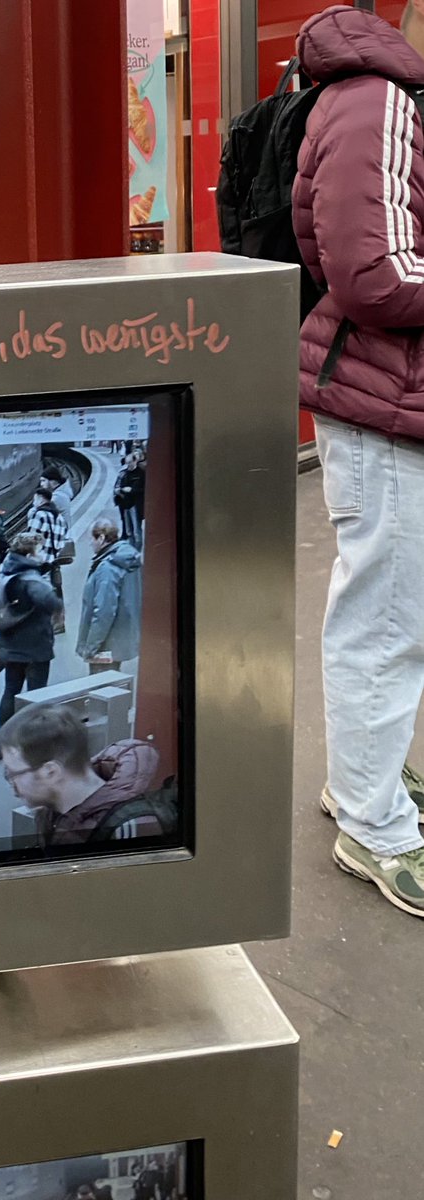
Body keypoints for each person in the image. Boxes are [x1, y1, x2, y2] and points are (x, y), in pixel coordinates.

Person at [292, 1, 424, 914]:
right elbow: (371, 272)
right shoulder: (377, 97)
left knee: (391, 615)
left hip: (392, 398)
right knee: (384, 621)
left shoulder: (383, 96)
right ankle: (372, 828)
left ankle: (366, 786)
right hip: (385, 408)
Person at [0, 704, 171, 846]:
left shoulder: (130, 827)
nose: (13, 788)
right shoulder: (51, 811)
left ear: (50, 772)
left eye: (12, 774)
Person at [0, 532, 63, 726]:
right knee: (37, 696)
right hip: (36, 649)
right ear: (29, 555)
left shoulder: (6, 571)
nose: (42, 555)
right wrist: (57, 605)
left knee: (10, 691)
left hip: (10, 647)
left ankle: (4, 740)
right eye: (39, 551)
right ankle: (34, 741)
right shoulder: (30, 577)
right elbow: (46, 599)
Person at [77, 519, 141, 674]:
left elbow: (103, 611)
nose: (90, 544)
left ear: (101, 538)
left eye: (91, 539)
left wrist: (90, 647)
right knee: (113, 687)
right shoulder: (126, 558)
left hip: (104, 644)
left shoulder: (107, 568)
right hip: (119, 639)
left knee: (101, 689)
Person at [25, 484, 70, 632]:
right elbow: (63, 539)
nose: (33, 502)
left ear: (39, 498)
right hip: (54, 561)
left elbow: (30, 539)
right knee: (57, 592)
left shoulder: (38, 515)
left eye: (34, 499)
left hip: (40, 562)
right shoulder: (58, 517)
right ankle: (59, 624)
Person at [113, 452, 146, 549]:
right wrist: (118, 491)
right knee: (129, 531)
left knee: (136, 531)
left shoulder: (141, 473)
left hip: (136, 504)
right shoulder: (124, 473)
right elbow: (119, 485)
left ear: (135, 461)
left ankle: (138, 552)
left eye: (130, 463)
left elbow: (144, 489)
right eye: (127, 463)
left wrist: (132, 490)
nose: (128, 465)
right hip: (125, 504)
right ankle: (132, 551)